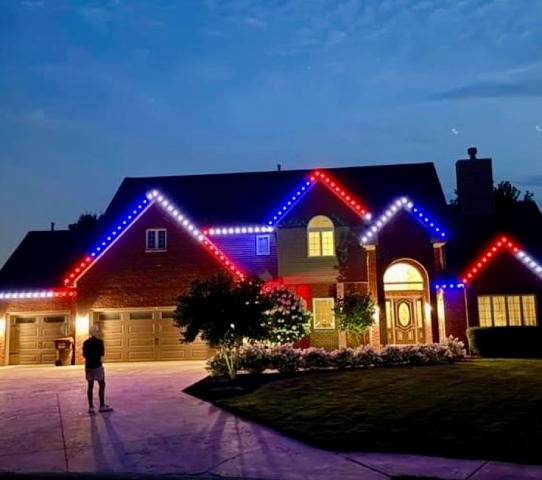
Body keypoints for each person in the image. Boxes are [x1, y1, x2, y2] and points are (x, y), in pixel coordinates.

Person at [83, 324, 113, 414]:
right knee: (102, 384)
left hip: (88, 366)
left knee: (90, 386)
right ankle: (102, 405)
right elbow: (102, 353)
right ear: (96, 331)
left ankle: (91, 407)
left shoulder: (86, 342)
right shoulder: (100, 342)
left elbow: (84, 355)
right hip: (97, 365)